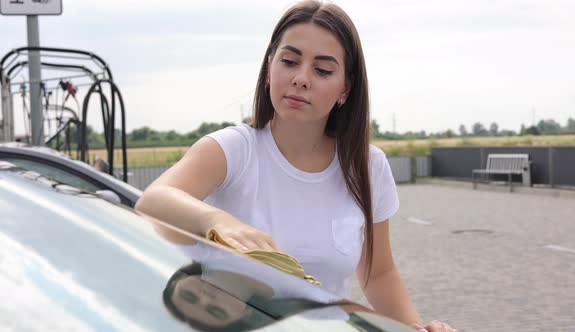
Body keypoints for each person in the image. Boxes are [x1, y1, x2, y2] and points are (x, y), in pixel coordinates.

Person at [137, 1, 456, 331]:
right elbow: (154, 200)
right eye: (289, 61)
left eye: (322, 70)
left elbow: (378, 273)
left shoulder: (368, 166)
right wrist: (216, 220)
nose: (301, 79)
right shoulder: (232, 149)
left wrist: (416, 328)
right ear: (268, 70)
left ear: (345, 89)